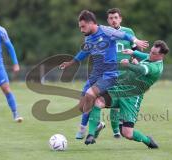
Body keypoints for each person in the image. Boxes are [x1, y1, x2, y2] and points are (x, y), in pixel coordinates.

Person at [59, 10, 149, 138]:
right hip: (96, 74)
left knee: (91, 96)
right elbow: (84, 51)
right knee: (82, 106)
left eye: (83, 26)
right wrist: (71, 62)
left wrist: (136, 40)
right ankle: (97, 125)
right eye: (80, 27)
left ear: (91, 23)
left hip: (109, 74)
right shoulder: (88, 37)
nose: (81, 30)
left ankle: (83, 129)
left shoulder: (106, 31)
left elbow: (124, 35)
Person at [85, 40, 169, 149]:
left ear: (161, 56)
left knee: (127, 133)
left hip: (132, 98)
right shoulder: (151, 56)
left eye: (154, 53)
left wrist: (128, 65)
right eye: (151, 51)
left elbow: (142, 70)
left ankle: (148, 140)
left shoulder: (156, 68)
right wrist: (132, 52)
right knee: (98, 102)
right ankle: (91, 135)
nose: (150, 54)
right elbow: (145, 55)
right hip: (119, 89)